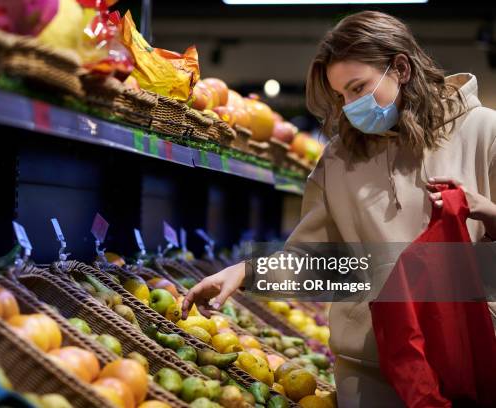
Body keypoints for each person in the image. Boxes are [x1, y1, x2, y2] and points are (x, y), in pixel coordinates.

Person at [182, 10, 496, 407]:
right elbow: (325, 265)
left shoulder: (483, 133)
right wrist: (247, 271)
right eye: (342, 96)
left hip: (469, 357)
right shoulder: (339, 162)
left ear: (400, 68)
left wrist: (488, 214)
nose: (350, 107)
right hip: (370, 373)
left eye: (358, 88)